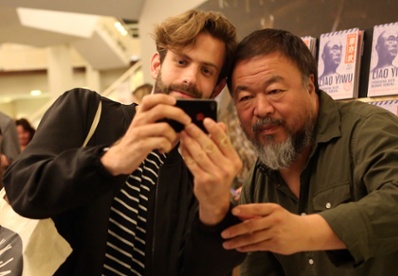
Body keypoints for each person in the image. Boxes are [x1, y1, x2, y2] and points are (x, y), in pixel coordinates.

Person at [3, 9, 246, 275]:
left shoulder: (196, 168)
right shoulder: (86, 109)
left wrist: (215, 210)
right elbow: (21, 188)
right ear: (156, 65)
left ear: (217, 87)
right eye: (181, 62)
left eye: (206, 70)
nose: (190, 77)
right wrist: (108, 160)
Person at [221, 28, 398, 275]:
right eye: (246, 97)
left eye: (274, 91)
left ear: (310, 84)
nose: (261, 109)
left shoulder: (369, 129)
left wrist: (305, 231)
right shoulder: (257, 185)